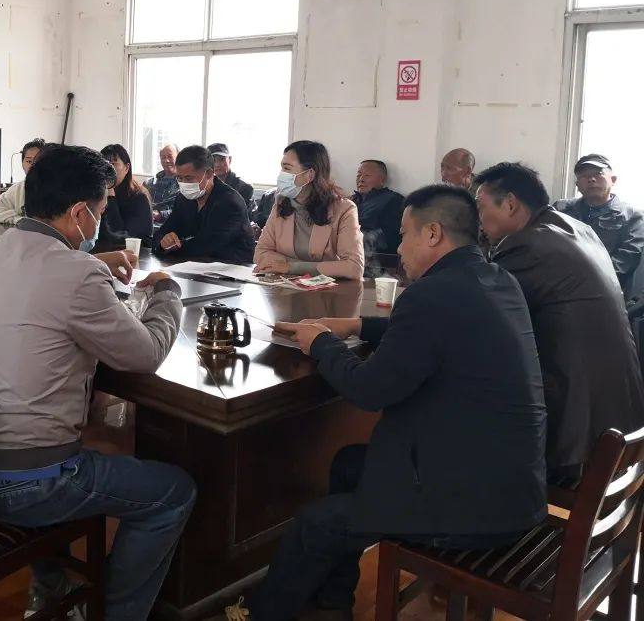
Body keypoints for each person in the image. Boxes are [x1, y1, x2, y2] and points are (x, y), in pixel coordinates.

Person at [226, 185, 547, 621]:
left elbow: (368, 390)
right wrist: (358, 325)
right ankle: (332, 601)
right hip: (510, 484)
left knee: (316, 524)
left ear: (432, 233)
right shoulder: (494, 279)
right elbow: (431, 332)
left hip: (470, 507)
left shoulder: (431, 295)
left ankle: (261, 614)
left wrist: (320, 343)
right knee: (348, 465)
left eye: (403, 234)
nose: (398, 247)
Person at [0, 145, 195, 621]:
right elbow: (145, 354)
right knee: (173, 493)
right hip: (29, 483)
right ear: (81, 212)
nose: (100, 221)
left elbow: (47, 283)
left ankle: (52, 591)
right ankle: (111, 612)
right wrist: (168, 294)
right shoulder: (76, 272)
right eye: (100, 212)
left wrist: (95, 265)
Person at [475, 162, 644, 481]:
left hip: (578, 440)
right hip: (621, 418)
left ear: (510, 204)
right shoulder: (577, 228)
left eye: (482, 208)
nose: (479, 220)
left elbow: (480, 318)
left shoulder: (527, 246)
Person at [254, 142, 364, 280]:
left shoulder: (344, 209)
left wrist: (290, 267)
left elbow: (354, 267)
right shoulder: (281, 203)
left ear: (309, 174)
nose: (281, 174)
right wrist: (307, 267)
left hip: (328, 290)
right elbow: (261, 252)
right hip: (284, 286)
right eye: (281, 168)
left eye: (287, 168)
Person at [554, 154, 644, 293]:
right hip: (557, 288)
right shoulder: (561, 209)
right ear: (577, 185)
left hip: (605, 294)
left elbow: (625, 262)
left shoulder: (633, 216)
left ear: (613, 180)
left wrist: (580, 286)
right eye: (584, 176)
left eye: (598, 174)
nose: (591, 179)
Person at [154, 145, 255, 264]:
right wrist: (163, 243)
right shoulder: (183, 199)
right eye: (179, 178)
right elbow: (161, 234)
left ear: (209, 174)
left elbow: (205, 246)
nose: (183, 184)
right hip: (191, 266)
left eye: (189, 178)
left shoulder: (230, 202)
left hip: (232, 268)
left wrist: (172, 248)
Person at [98, 143, 153, 250]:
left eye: (113, 164)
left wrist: (111, 198)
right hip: (104, 251)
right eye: (104, 164)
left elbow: (119, 237)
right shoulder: (98, 194)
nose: (107, 169)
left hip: (135, 252)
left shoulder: (139, 198)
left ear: (127, 168)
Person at [351, 159, 405, 255]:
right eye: (359, 175)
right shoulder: (349, 201)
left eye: (367, 175)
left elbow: (389, 238)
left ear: (382, 180)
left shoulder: (393, 200)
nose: (361, 179)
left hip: (375, 259)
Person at [0, 138, 46, 225]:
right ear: (22, 163)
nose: (32, 165)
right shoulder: (18, 188)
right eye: (29, 161)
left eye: (38, 161)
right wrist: (19, 220)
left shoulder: (55, 188)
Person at [208, 143, 255, 211]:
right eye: (213, 160)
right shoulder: (206, 185)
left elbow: (244, 215)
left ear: (229, 160)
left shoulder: (244, 187)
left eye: (221, 159)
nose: (217, 164)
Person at [145, 143, 180, 224]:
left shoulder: (186, 183)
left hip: (172, 225)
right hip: (148, 224)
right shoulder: (150, 183)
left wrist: (160, 215)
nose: (166, 161)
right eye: (163, 157)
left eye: (170, 157)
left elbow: (185, 211)